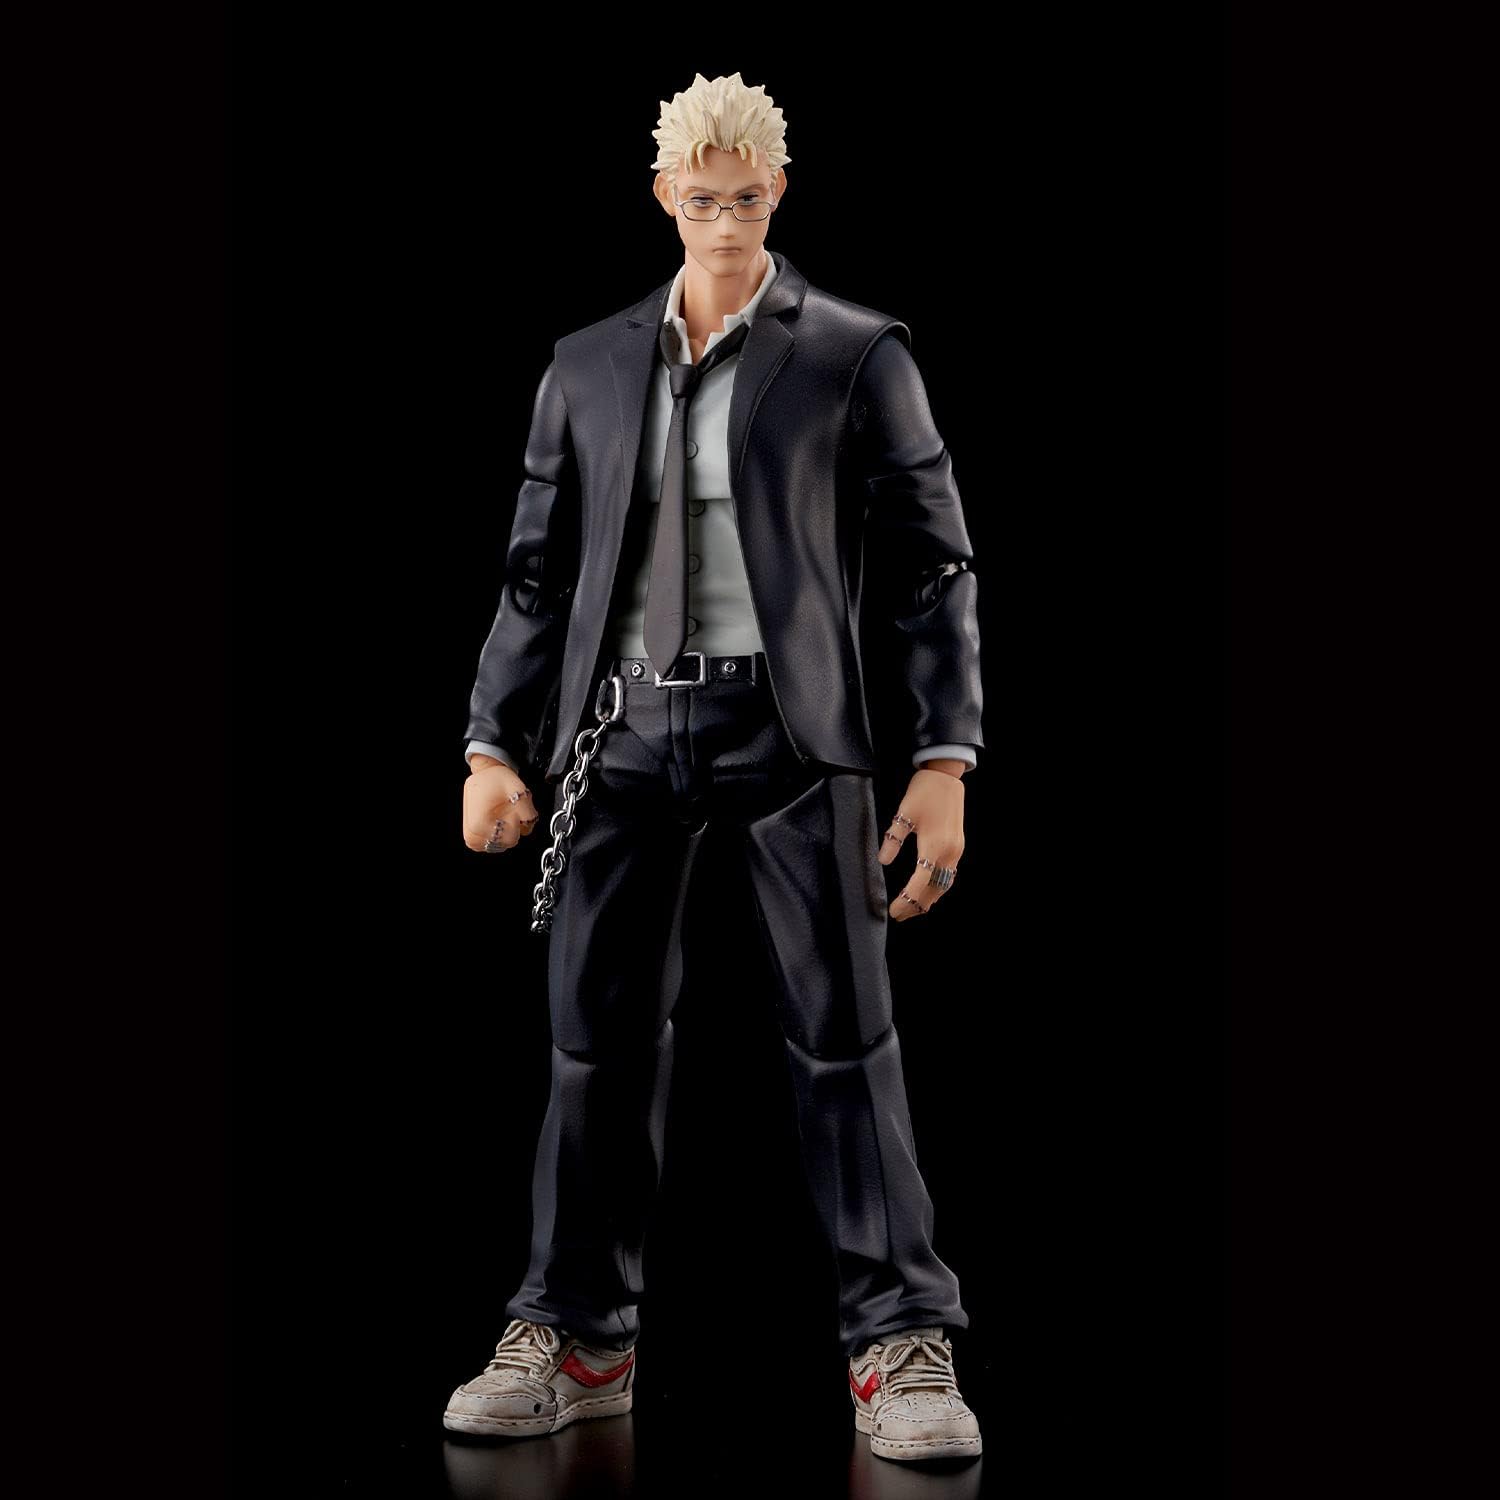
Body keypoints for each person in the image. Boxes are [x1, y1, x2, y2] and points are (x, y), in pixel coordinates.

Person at [444, 71, 984, 1464]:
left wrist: (942, 757)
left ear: (778, 193)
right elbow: (534, 571)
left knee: (846, 1039)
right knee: (592, 1043)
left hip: (793, 731)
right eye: (702, 200)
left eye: (748, 199)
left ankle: (899, 1339)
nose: (727, 222)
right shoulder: (589, 364)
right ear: (663, 198)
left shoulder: (855, 353)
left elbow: (932, 567)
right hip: (620, 733)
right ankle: (575, 1332)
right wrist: (494, 741)